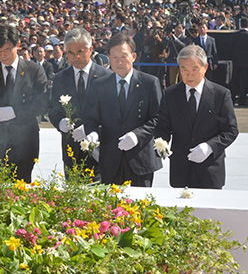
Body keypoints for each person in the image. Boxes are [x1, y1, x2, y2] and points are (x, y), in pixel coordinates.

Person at [83, 33, 162, 187]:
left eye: (124, 56)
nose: (119, 61)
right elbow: (90, 117)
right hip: (111, 160)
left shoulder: (149, 83)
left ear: (133, 56)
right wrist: (92, 132)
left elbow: (158, 118)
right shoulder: (99, 85)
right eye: (114, 57)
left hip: (140, 160)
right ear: (109, 59)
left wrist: (137, 135)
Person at [154, 45, 238, 189]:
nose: (189, 74)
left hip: (210, 169)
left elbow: (231, 130)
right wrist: (162, 144)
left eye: (194, 69)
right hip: (180, 169)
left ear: (205, 67)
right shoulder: (170, 94)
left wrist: (210, 147)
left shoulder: (221, 94)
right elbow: (163, 126)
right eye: (184, 69)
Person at [0, 24, 48, 182]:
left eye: (7, 49)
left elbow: (42, 103)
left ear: (17, 46)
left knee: (21, 192)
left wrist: (16, 111)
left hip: (24, 142)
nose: (3, 55)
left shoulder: (34, 71)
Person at [49, 28, 110, 178]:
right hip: (72, 153)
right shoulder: (60, 78)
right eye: (70, 53)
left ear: (90, 50)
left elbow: (113, 114)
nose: (75, 57)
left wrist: (93, 129)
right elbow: (53, 110)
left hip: (100, 152)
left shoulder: (106, 77)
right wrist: (60, 123)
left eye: (80, 52)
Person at [230, 18, 248, 106]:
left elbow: (231, 48)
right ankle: (242, 100)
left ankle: (232, 98)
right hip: (246, 62)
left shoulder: (235, 35)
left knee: (235, 80)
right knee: (244, 81)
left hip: (236, 61)